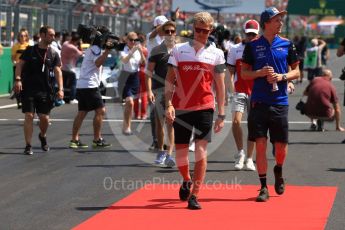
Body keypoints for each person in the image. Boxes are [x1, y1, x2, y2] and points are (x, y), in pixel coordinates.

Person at [165, 12, 226, 209]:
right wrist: (168, 104)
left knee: (200, 150)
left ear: (210, 31)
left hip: (205, 106)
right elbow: (169, 80)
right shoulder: (178, 50)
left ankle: (195, 195)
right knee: (181, 153)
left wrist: (222, 113)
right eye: (197, 30)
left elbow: (220, 85)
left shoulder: (217, 54)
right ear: (193, 29)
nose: (200, 34)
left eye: (205, 31)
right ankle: (186, 179)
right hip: (181, 107)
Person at [241, 7, 300, 202]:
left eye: (281, 19)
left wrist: (282, 77)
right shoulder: (252, 45)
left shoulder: (287, 44)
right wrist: (259, 73)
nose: (280, 23)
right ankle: (263, 186)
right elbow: (244, 73)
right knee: (260, 144)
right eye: (277, 19)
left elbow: (297, 72)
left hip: (280, 102)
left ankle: (279, 169)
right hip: (259, 102)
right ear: (266, 22)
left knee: (281, 146)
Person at [14, 25, 63, 155]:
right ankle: (28, 145)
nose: (53, 37)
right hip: (28, 89)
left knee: (44, 118)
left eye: (53, 35)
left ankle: (42, 135)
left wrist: (61, 89)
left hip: (46, 90)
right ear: (42, 35)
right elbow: (19, 64)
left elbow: (58, 71)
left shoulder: (53, 53)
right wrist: (18, 79)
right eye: (50, 35)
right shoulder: (30, 51)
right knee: (29, 115)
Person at [69, 26, 113, 149]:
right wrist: (107, 51)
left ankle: (74, 140)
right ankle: (97, 139)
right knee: (101, 111)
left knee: (82, 112)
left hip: (83, 84)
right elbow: (98, 63)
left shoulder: (93, 48)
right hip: (89, 85)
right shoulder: (96, 48)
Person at [227, 20, 259, 171]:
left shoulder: (262, 49)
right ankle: (240, 153)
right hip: (239, 90)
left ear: (257, 34)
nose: (251, 36)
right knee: (235, 122)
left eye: (253, 34)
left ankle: (250, 158)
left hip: (257, 92)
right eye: (248, 34)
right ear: (244, 33)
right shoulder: (235, 49)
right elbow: (230, 71)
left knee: (254, 125)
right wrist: (230, 90)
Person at [146, 20, 177, 167]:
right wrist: (149, 90)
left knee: (171, 123)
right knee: (160, 123)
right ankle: (161, 151)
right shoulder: (156, 50)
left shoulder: (180, 50)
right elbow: (149, 73)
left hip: (175, 92)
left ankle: (170, 154)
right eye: (167, 31)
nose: (170, 33)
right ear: (163, 33)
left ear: (175, 32)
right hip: (158, 91)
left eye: (172, 31)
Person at [118, 32, 146, 135]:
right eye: (131, 40)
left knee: (131, 104)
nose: (133, 42)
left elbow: (143, 62)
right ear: (126, 40)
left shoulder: (138, 50)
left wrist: (141, 51)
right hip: (125, 76)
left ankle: (126, 124)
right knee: (130, 102)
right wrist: (133, 50)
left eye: (135, 40)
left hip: (135, 77)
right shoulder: (122, 49)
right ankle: (127, 126)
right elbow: (125, 60)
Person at [61, 33, 83, 104]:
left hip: (63, 67)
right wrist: (80, 45)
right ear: (76, 41)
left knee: (63, 84)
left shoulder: (65, 43)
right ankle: (72, 98)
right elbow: (80, 53)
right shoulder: (72, 47)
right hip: (70, 69)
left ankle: (61, 99)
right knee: (73, 84)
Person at [11, 28, 30, 109]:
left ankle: (24, 100)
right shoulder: (15, 46)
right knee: (17, 84)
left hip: (26, 68)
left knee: (26, 85)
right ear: (18, 37)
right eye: (21, 36)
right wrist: (15, 62)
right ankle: (19, 102)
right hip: (17, 67)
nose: (22, 37)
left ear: (26, 37)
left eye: (24, 36)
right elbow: (13, 57)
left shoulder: (28, 46)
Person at [134, 33, 148, 120]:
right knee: (144, 94)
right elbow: (145, 62)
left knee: (137, 94)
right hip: (144, 72)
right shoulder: (146, 50)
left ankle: (137, 113)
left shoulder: (135, 50)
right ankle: (143, 113)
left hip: (136, 72)